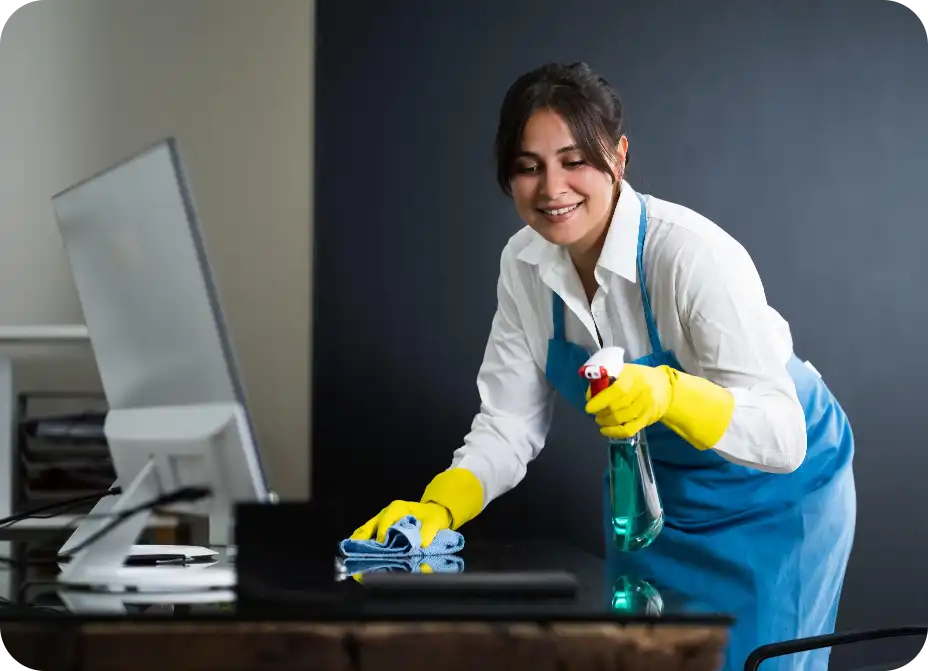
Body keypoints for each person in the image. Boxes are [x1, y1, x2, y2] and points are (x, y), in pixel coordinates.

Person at [350, 62, 856, 671]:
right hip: (651, 502)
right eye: (527, 166)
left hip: (777, 502)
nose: (551, 189)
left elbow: (782, 436)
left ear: (618, 156)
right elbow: (508, 426)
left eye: (573, 161)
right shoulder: (525, 264)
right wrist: (440, 507)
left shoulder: (688, 253)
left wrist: (669, 392)